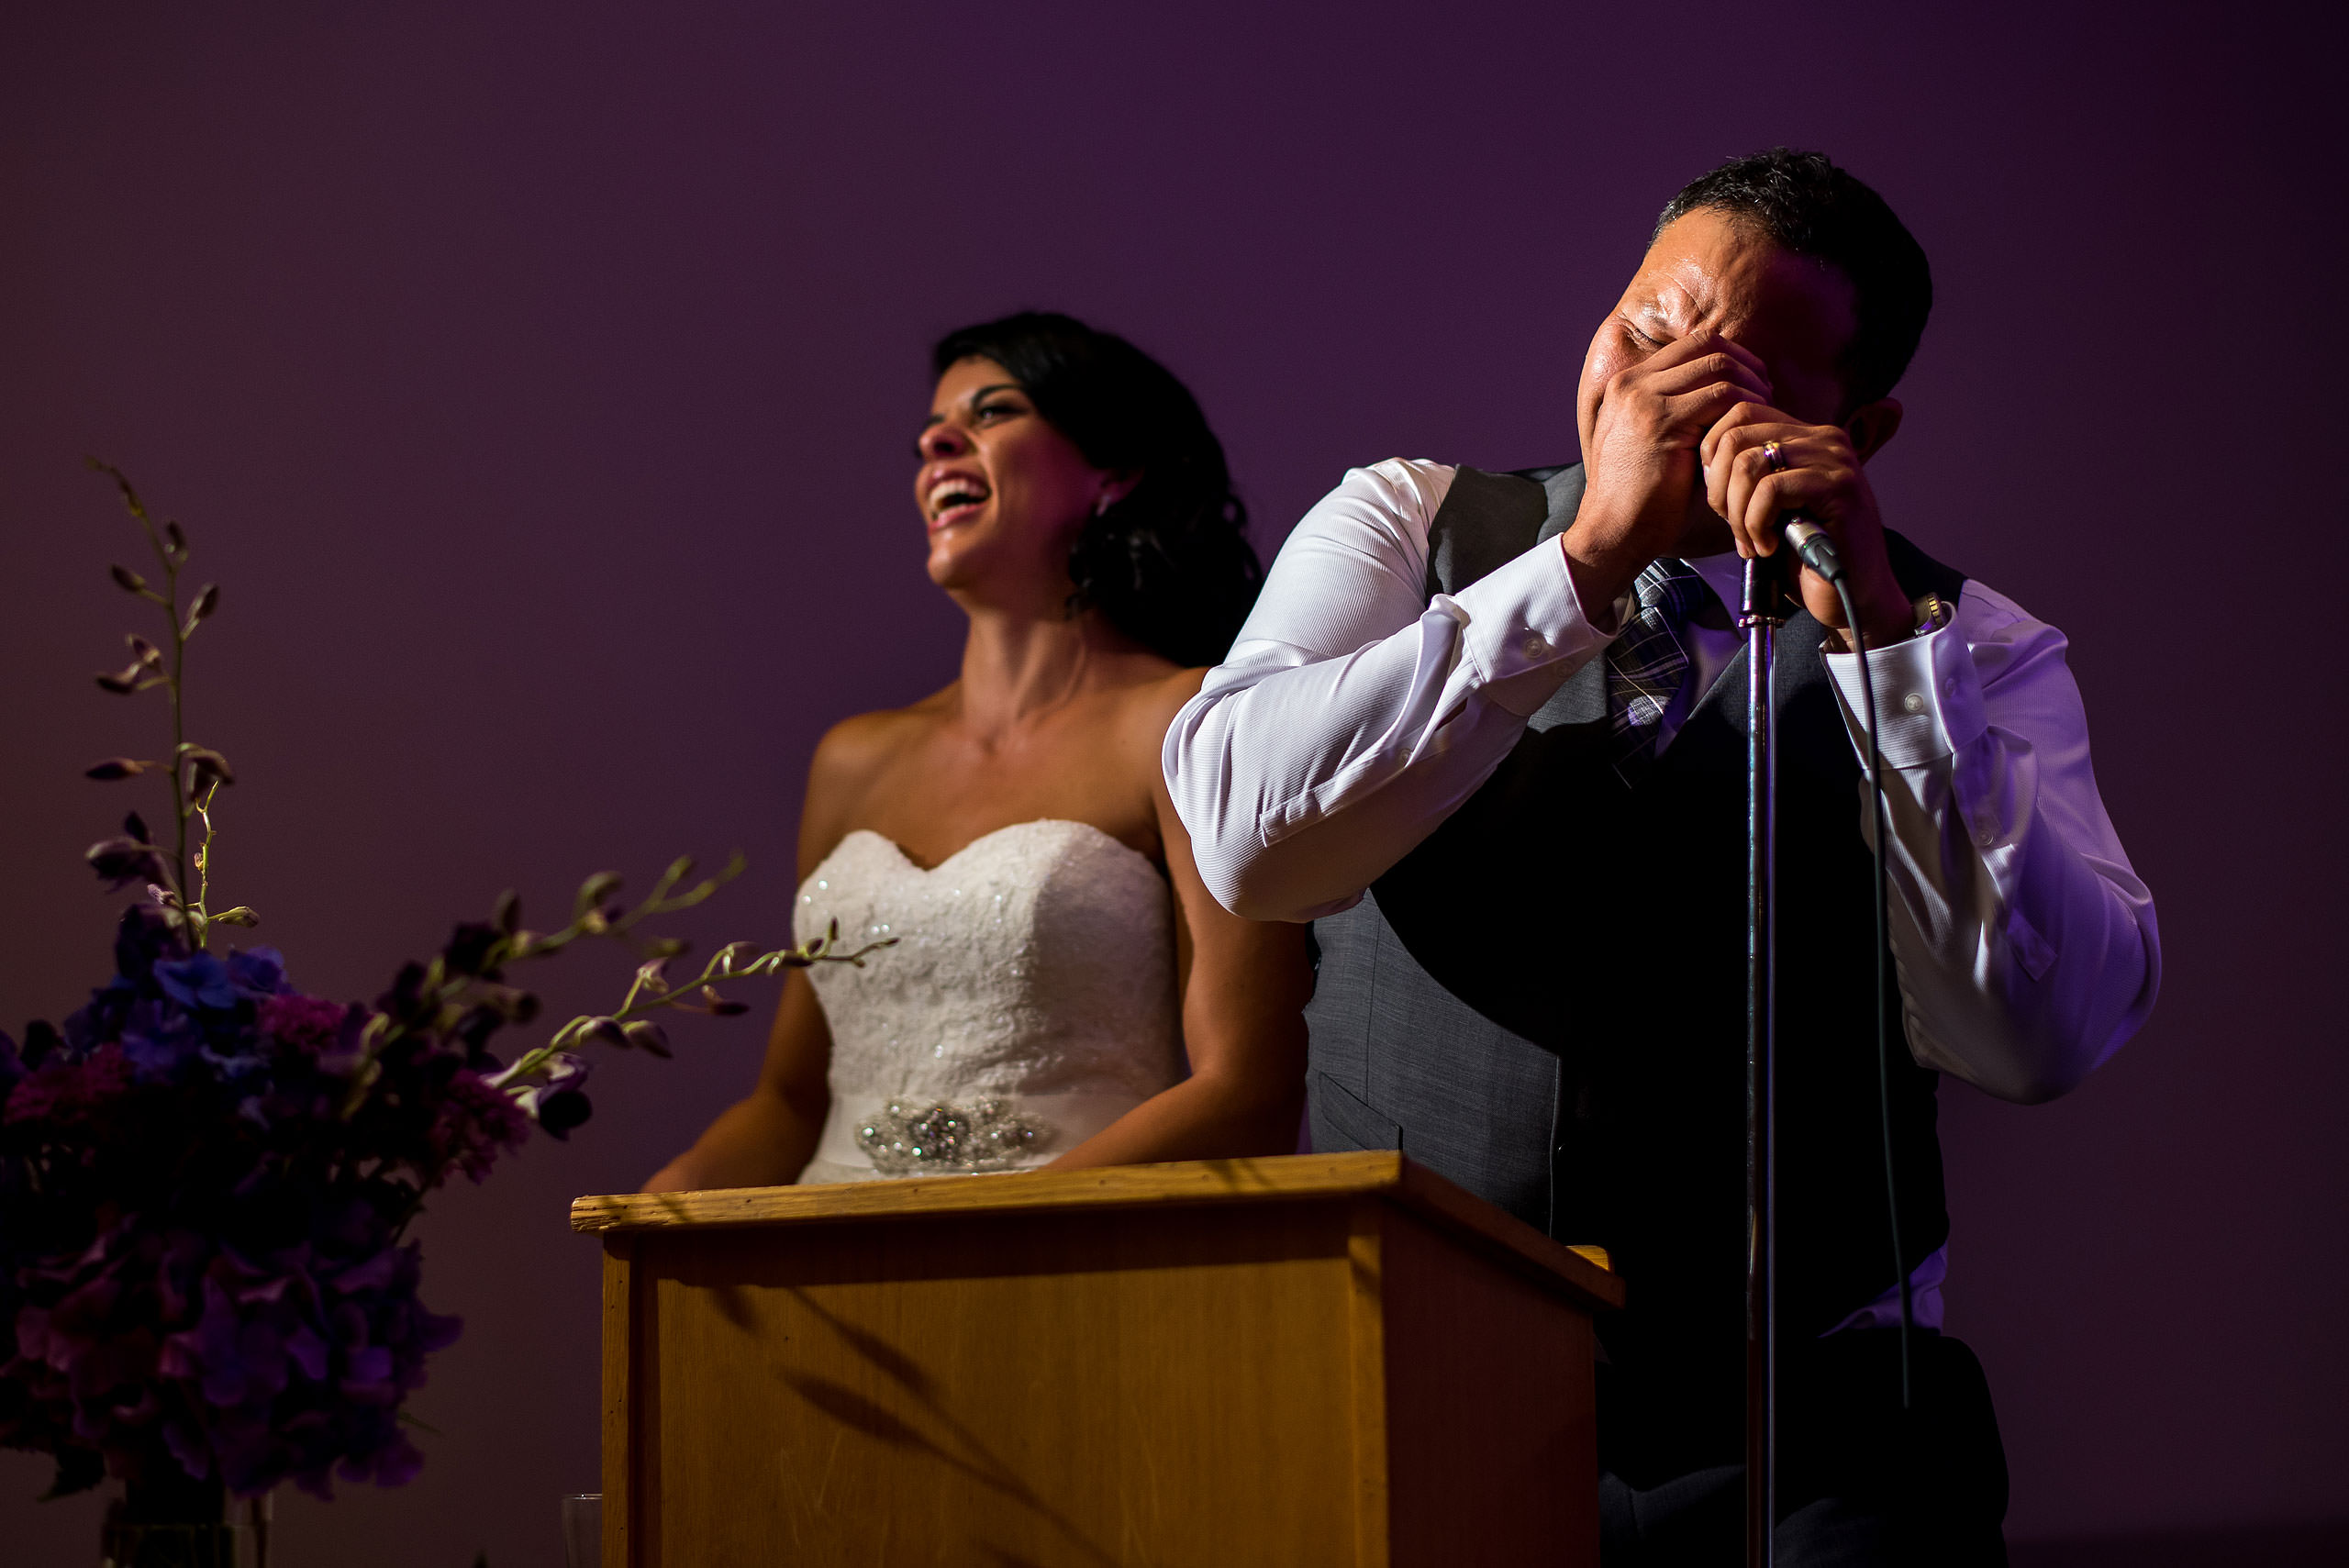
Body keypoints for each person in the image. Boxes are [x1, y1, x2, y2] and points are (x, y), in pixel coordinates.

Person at [1163, 150, 2159, 1563]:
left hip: (1809, 1431)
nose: (1659, 394)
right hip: (1411, 1391)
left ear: (1858, 428)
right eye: (1644, 331)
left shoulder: (1972, 645)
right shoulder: (1408, 522)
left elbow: (2036, 1039)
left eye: (1734, 373)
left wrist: (1886, 652)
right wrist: (1575, 568)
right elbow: (1250, 845)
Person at [648, 311, 1310, 1191]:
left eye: (993, 411)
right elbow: (790, 1102)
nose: (936, 440)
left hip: (1065, 1271)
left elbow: (1248, 1094)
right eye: (932, 428)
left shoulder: (1186, 725)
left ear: (1114, 471)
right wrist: (658, 1212)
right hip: (827, 1273)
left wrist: (976, 1238)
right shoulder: (853, 760)